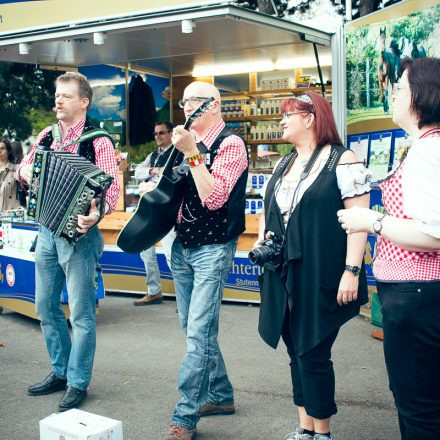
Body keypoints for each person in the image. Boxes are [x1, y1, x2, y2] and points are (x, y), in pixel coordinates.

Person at [254, 92, 371, 440]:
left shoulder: (343, 159)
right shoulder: (282, 163)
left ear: (310, 118)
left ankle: (322, 431)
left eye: (288, 114)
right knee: (294, 349)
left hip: (322, 271)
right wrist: (263, 245)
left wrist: (351, 271)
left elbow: (358, 220)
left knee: (313, 350)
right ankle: (304, 425)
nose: (281, 121)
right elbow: (267, 215)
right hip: (282, 272)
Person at [337, 57, 440, 439]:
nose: (392, 93)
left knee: (419, 408)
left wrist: (371, 222)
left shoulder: (428, 151)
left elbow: (433, 233)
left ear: (420, 95)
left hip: (418, 295)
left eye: (398, 87)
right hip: (420, 295)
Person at [16, 72, 120, 412]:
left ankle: (78, 381)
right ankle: (60, 371)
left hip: (80, 237)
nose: (58, 100)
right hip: (46, 230)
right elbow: (23, 169)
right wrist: (26, 172)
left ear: (83, 102)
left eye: (65, 96)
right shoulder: (47, 135)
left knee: (81, 313)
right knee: (45, 306)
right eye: (57, 95)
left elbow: (111, 190)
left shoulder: (99, 141)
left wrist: (97, 213)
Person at [164, 81, 248, 440]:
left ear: (213, 105)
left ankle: (185, 417)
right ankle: (222, 395)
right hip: (182, 245)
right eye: (183, 102)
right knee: (193, 327)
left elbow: (213, 198)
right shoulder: (184, 142)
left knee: (198, 333)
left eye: (193, 101)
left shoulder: (231, 143)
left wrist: (193, 154)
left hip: (213, 247)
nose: (185, 108)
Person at [133, 121, 176, 306]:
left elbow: (178, 176)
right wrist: (153, 170)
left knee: (171, 255)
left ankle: (184, 298)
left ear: (171, 134)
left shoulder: (178, 153)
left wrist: (156, 178)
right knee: (146, 252)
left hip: (168, 211)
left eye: (161, 133)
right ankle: (154, 291)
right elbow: (137, 171)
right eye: (155, 133)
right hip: (150, 210)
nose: (158, 136)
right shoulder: (153, 155)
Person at [0, 137, 21, 211]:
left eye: (2, 148)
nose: (0, 151)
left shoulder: (16, 169)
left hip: (10, 215)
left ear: (8, 151)